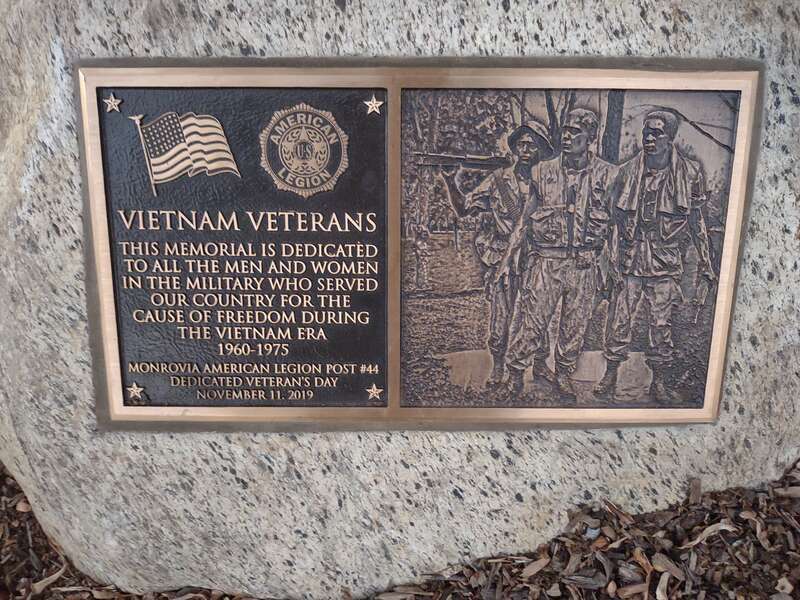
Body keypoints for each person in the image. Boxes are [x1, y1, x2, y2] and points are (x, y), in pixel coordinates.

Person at [594, 110, 715, 403]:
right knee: (619, 321)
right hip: (630, 259)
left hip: (665, 261)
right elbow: (609, 219)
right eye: (646, 131)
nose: (649, 138)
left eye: (657, 133)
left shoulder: (690, 172)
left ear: (670, 138)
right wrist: (607, 260)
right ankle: (610, 375)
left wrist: (706, 262)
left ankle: (658, 383)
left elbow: (697, 220)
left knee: (661, 326)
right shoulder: (625, 172)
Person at [498, 108, 617, 401]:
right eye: (565, 130)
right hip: (546, 261)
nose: (566, 136)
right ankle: (515, 374)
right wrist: (508, 257)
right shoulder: (542, 171)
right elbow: (524, 220)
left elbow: (616, 224)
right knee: (532, 320)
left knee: (574, 325)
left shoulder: (609, 174)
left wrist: (610, 266)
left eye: (575, 131)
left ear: (591, 137)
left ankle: (563, 373)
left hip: (584, 263)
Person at [439, 121, 554, 387]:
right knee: (501, 316)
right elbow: (464, 209)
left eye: (532, 143)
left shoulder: (547, 180)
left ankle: (540, 364)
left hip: (537, 257)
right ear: (514, 148)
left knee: (539, 314)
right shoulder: (498, 180)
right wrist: (450, 180)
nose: (526, 148)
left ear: (539, 149)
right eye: (521, 143)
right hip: (503, 258)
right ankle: (499, 366)